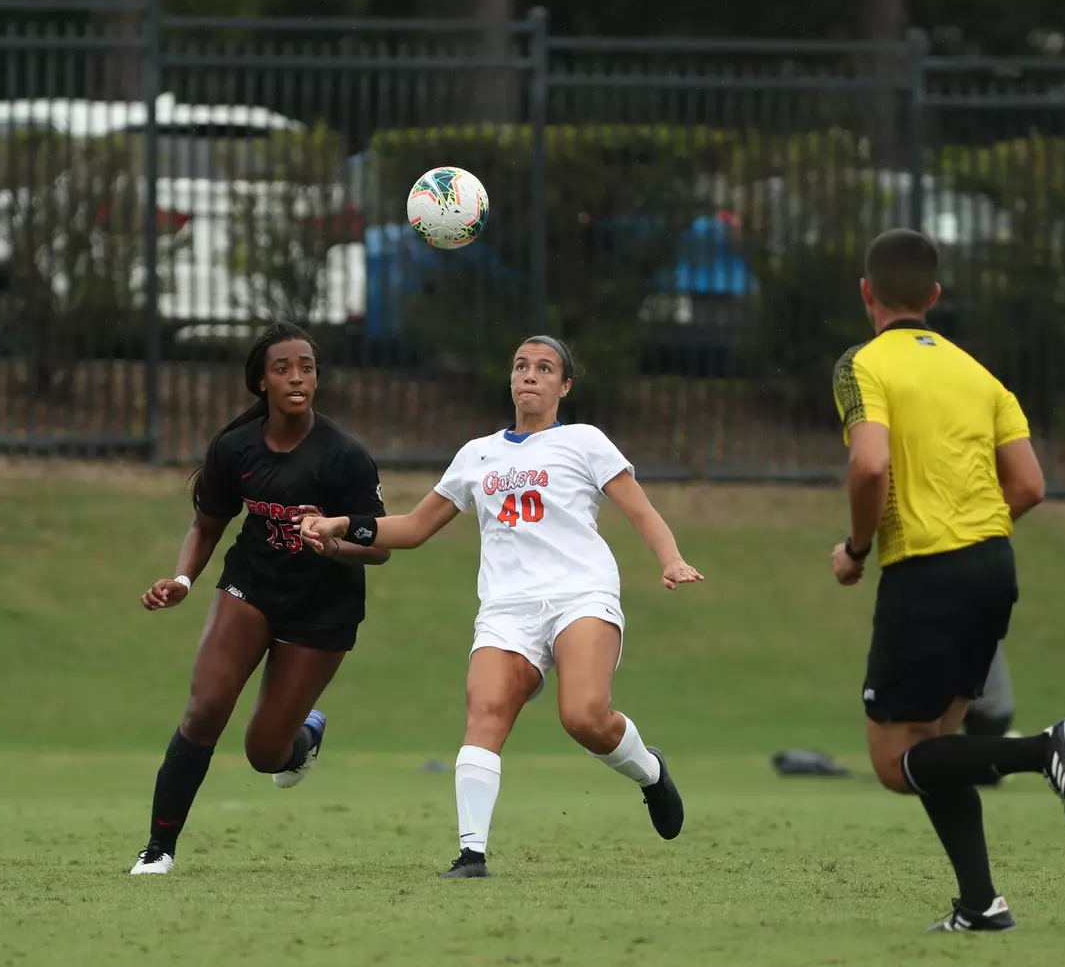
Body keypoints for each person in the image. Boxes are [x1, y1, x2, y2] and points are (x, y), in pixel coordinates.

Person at [300, 335, 701, 879]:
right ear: (510, 380)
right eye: (520, 366)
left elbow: (641, 509)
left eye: (544, 368)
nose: (529, 375)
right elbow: (414, 529)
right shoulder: (476, 454)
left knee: (583, 717)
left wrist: (671, 558)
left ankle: (650, 773)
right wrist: (344, 526)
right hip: (507, 609)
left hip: (580, 592)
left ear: (565, 385)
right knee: (484, 713)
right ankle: (471, 855)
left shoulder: (584, 441)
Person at [830, 228, 1065, 934]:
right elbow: (1031, 486)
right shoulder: (980, 375)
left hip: (925, 572)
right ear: (935, 296)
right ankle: (980, 903)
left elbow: (868, 467)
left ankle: (1044, 750)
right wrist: (973, 528)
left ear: (866, 293)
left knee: (894, 760)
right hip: (992, 565)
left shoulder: (862, 365)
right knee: (937, 746)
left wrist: (858, 548)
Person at [129, 322, 390, 875]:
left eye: (307, 367)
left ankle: (305, 733)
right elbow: (206, 527)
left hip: (322, 611)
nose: (297, 377)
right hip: (250, 586)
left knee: (264, 754)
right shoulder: (235, 448)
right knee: (204, 710)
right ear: (260, 383)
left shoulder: (345, 455)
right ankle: (158, 850)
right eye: (283, 368)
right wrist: (182, 581)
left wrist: (333, 541)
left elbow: (380, 548)